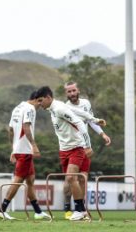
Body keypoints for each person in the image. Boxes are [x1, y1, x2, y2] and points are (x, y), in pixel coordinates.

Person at [34, 86, 104, 222]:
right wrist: (94, 119)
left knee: (72, 178)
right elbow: (77, 111)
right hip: (64, 150)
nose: (39, 104)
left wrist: (88, 146)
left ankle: (78, 210)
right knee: (70, 180)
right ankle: (82, 211)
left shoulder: (59, 108)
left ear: (48, 98)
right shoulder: (54, 108)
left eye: (41, 100)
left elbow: (80, 123)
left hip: (76, 148)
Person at [0, 91, 49, 220]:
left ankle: (37, 211)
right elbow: (26, 126)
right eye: (40, 103)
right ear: (37, 100)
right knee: (18, 180)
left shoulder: (17, 108)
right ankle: (1, 210)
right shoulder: (30, 109)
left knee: (30, 180)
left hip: (20, 150)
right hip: (25, 151)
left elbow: (11, 130)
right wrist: (34, 145)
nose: (40, 106)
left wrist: (13, 149)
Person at [62, 82, 110, 218]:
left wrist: (103, 134)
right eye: (69, 92)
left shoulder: (86, 103)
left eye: (73, 90)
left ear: (78, 90)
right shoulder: (65, 108)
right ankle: (67, 207)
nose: (71, 94)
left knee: (83, 179)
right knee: (69, 181)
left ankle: (82, 210)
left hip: (85, 147)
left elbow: (90, 121)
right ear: (66, 94)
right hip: (72, 147)